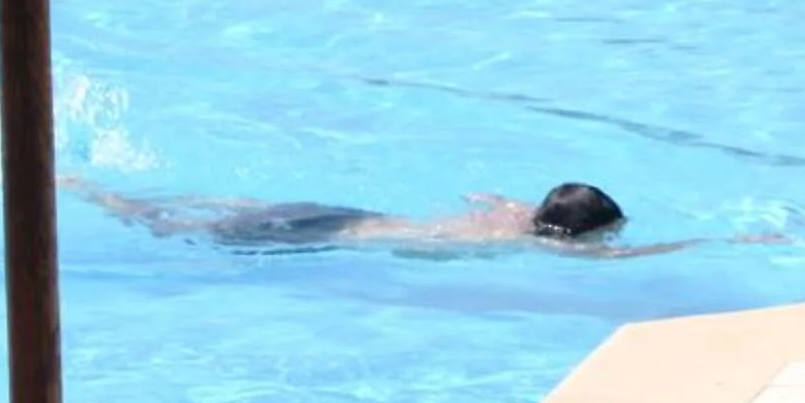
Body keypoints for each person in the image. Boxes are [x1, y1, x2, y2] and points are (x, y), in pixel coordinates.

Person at [64, 178, 700, 258]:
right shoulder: (539, 244)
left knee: (238, 205)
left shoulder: (514, 219)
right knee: (179, 229)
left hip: (344, 213)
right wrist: (715, 240)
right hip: (333, 234)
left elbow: (493, 199)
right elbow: (616, 256)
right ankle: (104, 198)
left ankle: (99, 185)